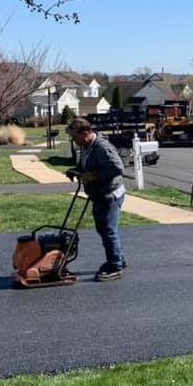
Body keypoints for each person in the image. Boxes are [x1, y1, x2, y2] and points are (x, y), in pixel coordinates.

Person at [66, 118, 127, 282]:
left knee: (108, 230)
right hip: (99, 194)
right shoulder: (87, 147)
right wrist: (75, 171)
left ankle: (115, 266)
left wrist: (96, 176)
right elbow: (85, 166)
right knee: (103, 229)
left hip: (111, 194)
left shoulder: (102, 147)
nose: (74, 141)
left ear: (85, 133)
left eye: (75, 137)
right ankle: (118, 257)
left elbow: (118, 168)